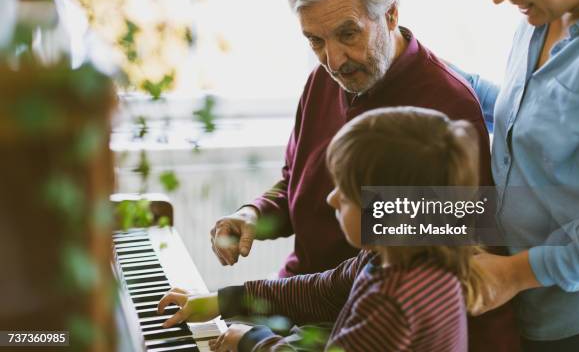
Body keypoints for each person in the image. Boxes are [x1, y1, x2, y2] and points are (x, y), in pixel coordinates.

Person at [209, 0, 520, 350]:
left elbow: (464, 256)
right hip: (298, 302)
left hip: (363, 327)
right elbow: (296, 182)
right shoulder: (323, 80)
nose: (333, 60)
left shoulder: (447, 107)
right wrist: (252, 213)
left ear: (390, 14)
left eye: (347, 34)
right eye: (315, 41)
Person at [160, 107, 490, 352]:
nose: (331, 199)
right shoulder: (385, 259)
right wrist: (223, 300)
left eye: (344, 194)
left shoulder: (395, 300)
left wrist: (251, 341)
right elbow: (319, 291)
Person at [448, 0, 579, 350]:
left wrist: (516, 273)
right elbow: (527, 116)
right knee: (373, 215)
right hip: (520, 303)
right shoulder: (542, 14)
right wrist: (424, 65)